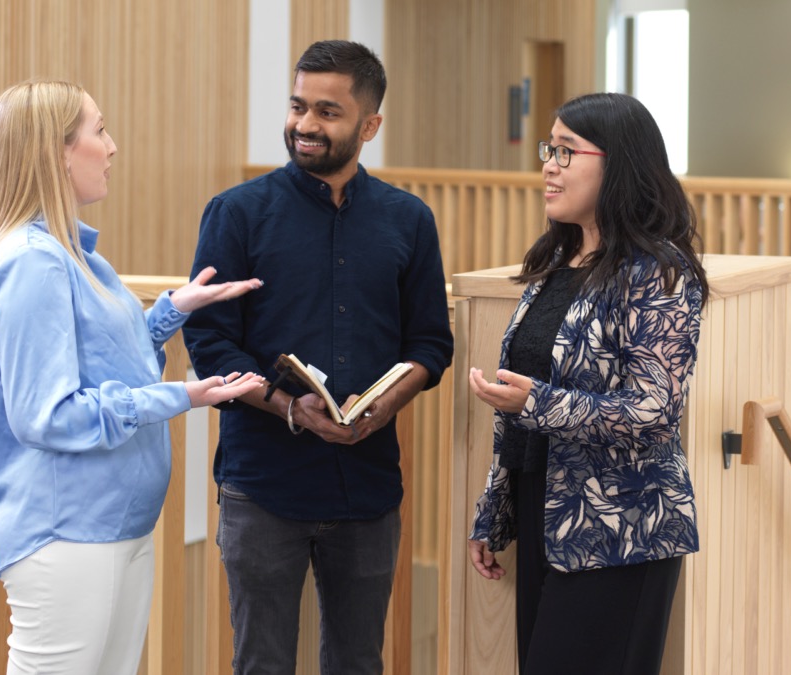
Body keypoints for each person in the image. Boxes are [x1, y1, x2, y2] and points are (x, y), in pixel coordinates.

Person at [0, 80, 265, 675]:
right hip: (66, 531)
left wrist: (172, 311)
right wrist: (181, 395)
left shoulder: (75, 253)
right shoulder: (32, 263)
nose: (112, 146)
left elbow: (104, 359)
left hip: (116, 525)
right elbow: (46, 415)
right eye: (98, 130)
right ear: (57, 152)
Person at [182, 40, 453, 674]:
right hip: (262, 485)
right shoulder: (236, 214)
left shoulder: (409, 220)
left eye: (327, 112)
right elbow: (209, 344)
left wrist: (391, 400)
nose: (305, 125)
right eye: (298, 106)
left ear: (370, 125)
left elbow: (430, 345)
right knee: (262, 664)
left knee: (359, 663)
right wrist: (289, 408)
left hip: (369, 489)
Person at [466, 92, 710, 675]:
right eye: (550, 149)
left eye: (567, 151)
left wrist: (538, 402)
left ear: (618, 163)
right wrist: (495, 510)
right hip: (545, 508)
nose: (548, 164)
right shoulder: (560, 261)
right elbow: (525, 408)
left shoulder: (659, 271)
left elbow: (653, 409)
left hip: (621, 524)